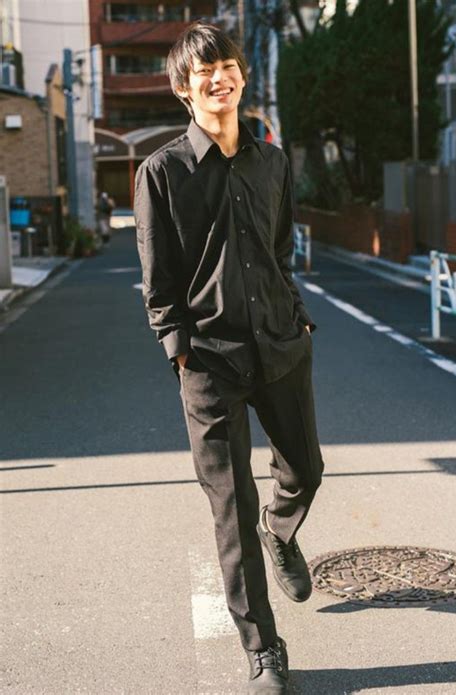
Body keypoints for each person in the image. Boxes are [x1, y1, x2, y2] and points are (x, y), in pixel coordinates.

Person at [134, 22, 325, 694]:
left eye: (228, 66)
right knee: (231, 509)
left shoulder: (272, 161)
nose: (220, 78)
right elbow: (159, 286)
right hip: (209, 363)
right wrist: (181, 352)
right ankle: (264, 648)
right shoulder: (161, 172)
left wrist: (295, 311)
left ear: (242, 75)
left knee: (306, 468)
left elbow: (278, 249)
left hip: (280, 343)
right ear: (185, 90)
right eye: (203, 72)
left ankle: (285, 530)